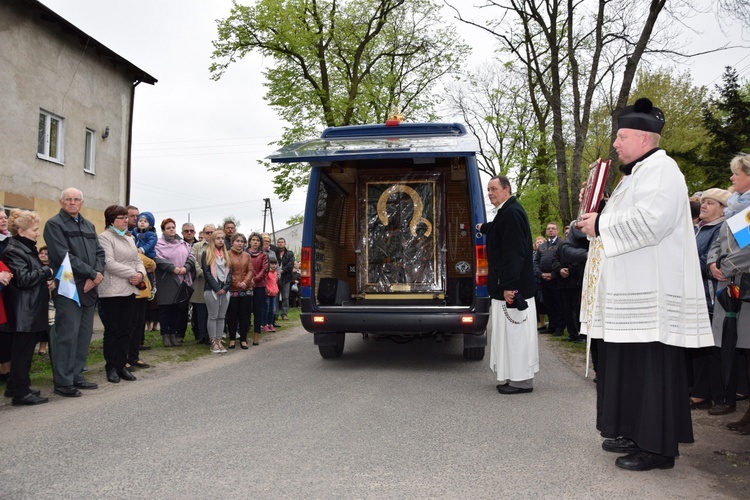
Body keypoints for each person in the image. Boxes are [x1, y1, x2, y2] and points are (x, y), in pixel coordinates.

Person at [577, 98, 713, 471]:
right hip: (626, 293)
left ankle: (656, 447)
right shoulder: (635, 175)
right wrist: (595, 219)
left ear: (643, 138)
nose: (616, 144)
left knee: (649, 369)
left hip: (650, 296)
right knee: (625, 366)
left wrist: (601, 223)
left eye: (621, 137)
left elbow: (652, 221)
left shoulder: (663, 170)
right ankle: (630, 430)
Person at [477, 175, 538, 395]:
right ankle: (514, 376)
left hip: (513, 289)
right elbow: (499, 229)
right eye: (488, 189)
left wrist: (509, 286)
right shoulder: (508, 211)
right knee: (510, 334)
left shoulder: (511, 213)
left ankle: (522, 381)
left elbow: (514, 253)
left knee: (516, 335)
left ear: (507, 189)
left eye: (494, 188)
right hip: (510, 286)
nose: (490, 193)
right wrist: (484, 227)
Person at [43, 188, 105, 397]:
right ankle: (63, 381)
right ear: (61, 202)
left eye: (76, 199)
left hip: (89, 286)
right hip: (69, 287)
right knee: (67, 335)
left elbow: (99, 253)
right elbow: (63, 255)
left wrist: (96, 275)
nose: (72, 203)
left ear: (82, 202)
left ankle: (77, 374)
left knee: (83, 334)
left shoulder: (89, 225)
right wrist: (91, 274)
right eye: (68, 199)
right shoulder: (54, 224)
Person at [706, 154, 750, 421]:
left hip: (743, 289)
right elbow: (717, 243)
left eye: (736, 174)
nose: (732, 178)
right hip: (726, 289)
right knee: (728, 345)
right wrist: (713, 263)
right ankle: (727, 398)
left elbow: (747, 250)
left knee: (744, 348)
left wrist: (727, 267)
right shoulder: (734, 209)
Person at [1, 209, 55, 405]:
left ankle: (15, 386)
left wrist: (45, 279)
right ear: (21, 231)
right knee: (22, 353)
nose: (38, 233)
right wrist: (46, 271)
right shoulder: (15, 250)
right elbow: (23, 280)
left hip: (29, 309)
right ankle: (21, 394)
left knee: (22, 352)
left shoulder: (24, 247)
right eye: (34, 229)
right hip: (24, 311)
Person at [690, 188, 731, 410]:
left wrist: (687, 261)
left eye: (710, 203)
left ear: (723, 209)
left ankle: (717, 395)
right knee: (700, 348)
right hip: (697, 296)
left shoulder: (722, 228)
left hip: (713, 296)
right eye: (703, 202)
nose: (703, 206)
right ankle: (699, 391)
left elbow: (714, 259)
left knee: (713, 350)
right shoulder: (699, 229)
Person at [97, 205, 146, 384]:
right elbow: (108, 263)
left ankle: (121, 364)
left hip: (130, 289)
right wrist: (132, 274)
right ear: (111, 220)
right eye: (122, 218)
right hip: (111, 291)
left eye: (127, 218)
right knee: (113, 330)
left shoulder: (129, 238)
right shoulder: (104, 238)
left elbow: (137, 260)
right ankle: (111, 367)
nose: (126, 220)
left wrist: (140, 274)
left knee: (127, 329)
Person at [154, 218, 195, 347]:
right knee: (165, 309)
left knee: (176, 310)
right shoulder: (158, 244)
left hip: (182, 279)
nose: (171, 229)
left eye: (173, 227)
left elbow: (191, 256)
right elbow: (157, 258)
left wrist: (186, 268)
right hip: (166, 280)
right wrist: (173, 268)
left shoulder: (183, 244)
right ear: (163, 230)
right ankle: (165, 335)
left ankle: (173, 334)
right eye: (168, 228)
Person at [556, 224, 589, 343]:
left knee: (579, 308)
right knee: (567, 309)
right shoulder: (561, 247)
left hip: (576, 280)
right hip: (563, 282)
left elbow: (578, 261)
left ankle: (583, 334)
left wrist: (570, 270)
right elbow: (555, 259)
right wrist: (559, 269)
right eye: (566, 234)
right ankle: (572, 333)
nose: (567, 235)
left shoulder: (581, 246)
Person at [202, 230, 231, 354]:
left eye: (222, 238)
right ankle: (213, 341)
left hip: (225, 290)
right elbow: (206, 273)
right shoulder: (206, 253)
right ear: (213, 240)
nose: (220, 240)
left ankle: (219, 339)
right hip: (211, 290)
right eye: (218, 238)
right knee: (213, 316)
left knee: (221, 316)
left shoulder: (226, 254)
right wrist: (216, 288)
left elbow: (230, 273)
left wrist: (225, 288)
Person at [533, 222, 565, 336]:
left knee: (558, 304)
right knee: (548, 304)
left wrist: (553, 274)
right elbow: (535, 262)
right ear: (546, 231)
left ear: (557, 231)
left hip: (557, 280)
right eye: (548, 229)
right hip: (543, 280)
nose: (550, 230)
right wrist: (541, 274)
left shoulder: (561, 244)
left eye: (553, 228)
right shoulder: (541, 246)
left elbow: (563, 261)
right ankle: (551, 326)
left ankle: (559, 327)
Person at [226, 233, 253, 349]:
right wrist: (237, 283)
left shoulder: (247, 255)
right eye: (237, 241)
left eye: (242, 241)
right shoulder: (227, 254)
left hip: (245, 290)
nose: (240, 243)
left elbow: (250, 271)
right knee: (232, 316)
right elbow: (227, 271)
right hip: (232, 290)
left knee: (244, 316)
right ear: (232, 242)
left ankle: (243, 339)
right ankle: (232, 339)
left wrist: (245, 283)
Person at [190, 224, 215, 345]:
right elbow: (192, 260)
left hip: (215, 283)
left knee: (212, 310)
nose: (210, 235)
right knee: (200, 310)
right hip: (200, 281)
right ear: (203, 234)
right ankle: (201, 335)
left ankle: (212, 335)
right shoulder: (197, 246)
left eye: (212, 232)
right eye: (207, 232)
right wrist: (201, 272)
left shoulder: (219, 246)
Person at [247, 232, 268, 346]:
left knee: (257, 310)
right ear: (250, 241)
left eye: (257, 240)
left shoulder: (263, 255)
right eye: (253, 239)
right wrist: (247, 281)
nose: (255, 242)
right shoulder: (245, 253)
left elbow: (264, 270)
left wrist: (254, 280)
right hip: (245, 285)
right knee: (245, 310)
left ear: (260, 242)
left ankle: (256, 334)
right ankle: (244, 333)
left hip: (259, 286)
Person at [36, 246, 51, 355]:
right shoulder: (35, 267)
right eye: (41, 253)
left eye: (46, 254)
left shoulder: (53, 268)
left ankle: (43, 346)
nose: (43, 255)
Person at [276, 237, 294, 320]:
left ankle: (284, 314)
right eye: (279, 242)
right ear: (277, 243)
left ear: (285, 243)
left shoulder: (290, 254)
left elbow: (291, 264)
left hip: (286, 278)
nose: (280, 243)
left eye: (282, 242)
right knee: (275, 296)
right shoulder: (274, 253)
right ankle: (275, 314)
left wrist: (283, 270)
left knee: (285, 297)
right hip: (275, 278)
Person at [264, 256, 279, 332]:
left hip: (273, 294)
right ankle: (264, 324)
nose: (273, 265)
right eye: (272, 264)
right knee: (266, 309)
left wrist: (276, 289)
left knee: (272, 309)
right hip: (267, 293)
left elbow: (275, 283)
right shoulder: (267, 273)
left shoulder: (275, 273)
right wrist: (268, 290)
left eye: (275, 264)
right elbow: (265, 282)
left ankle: (270, 324)